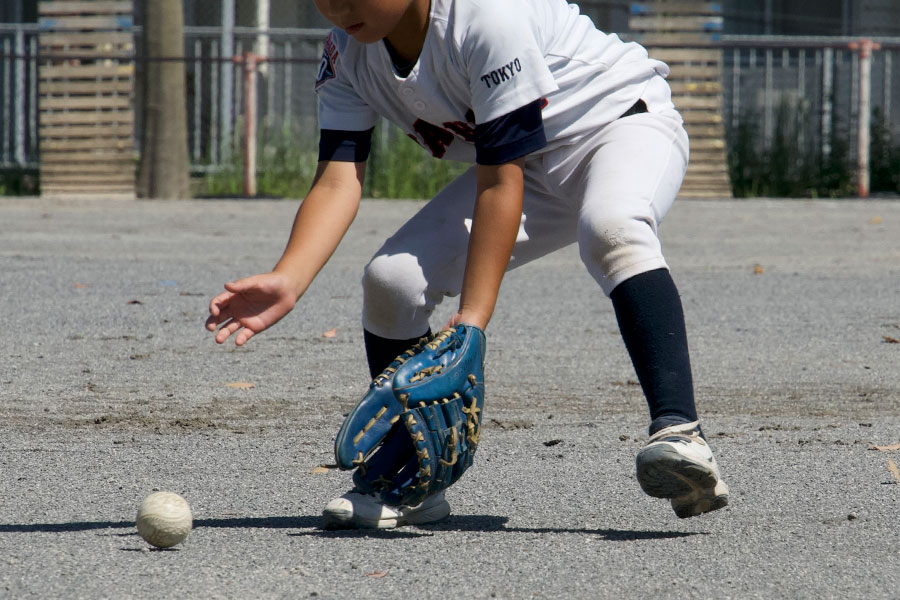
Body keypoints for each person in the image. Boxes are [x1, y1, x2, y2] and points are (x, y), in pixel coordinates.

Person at [206, 0, 729, 528]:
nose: (337, 7)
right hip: (524, 166)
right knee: (392, 280)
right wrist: (290, 276)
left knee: (612, 229)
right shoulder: (348, 53)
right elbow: (338, 178)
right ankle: (413, 478)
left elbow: (500, 181)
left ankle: (681, 433)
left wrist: (473, 321)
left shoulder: (485, 18)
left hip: (619, 126)